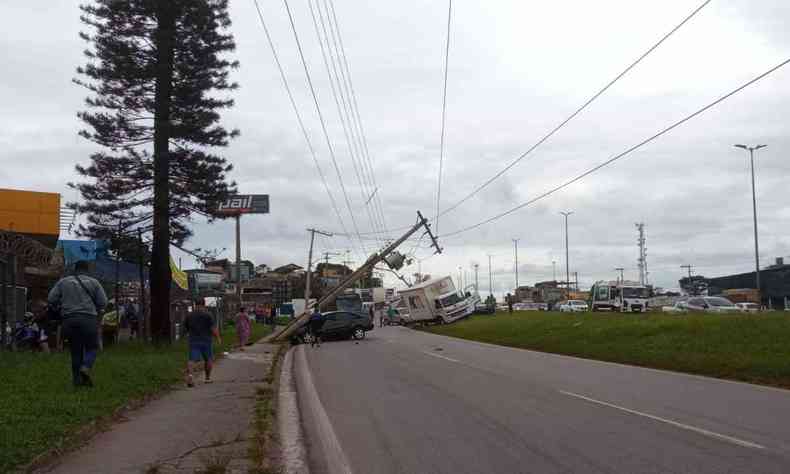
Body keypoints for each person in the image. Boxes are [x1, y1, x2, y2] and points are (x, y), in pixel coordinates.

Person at [48, 260, 108, 387]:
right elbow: (103, 302)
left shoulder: (63, 282)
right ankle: (86, 367)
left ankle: (77, 382)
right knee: (92, 347)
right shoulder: (94, 282)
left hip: (69, 320)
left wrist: (63, 304)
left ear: (75, 269)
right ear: (87, 270)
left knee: (75, 352)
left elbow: (51, 299)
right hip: (88, 319)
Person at [184, 298, 222, 387]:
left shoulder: (189, 315)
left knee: (192, 359)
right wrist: (218, 338)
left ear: (195, 304)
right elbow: (213, 328)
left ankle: (190, 375)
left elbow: (186, 328)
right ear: (204, 304)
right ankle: (207, 378)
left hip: (193, 340)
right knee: (208, 359)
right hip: (206, 340)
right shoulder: (208, 315)